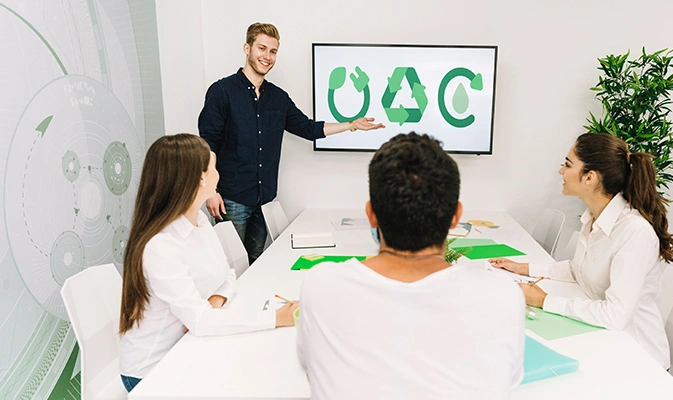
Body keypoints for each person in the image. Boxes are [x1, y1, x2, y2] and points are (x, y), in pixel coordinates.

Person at [297, 132, 525, 399]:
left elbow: (312, 371)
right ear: (456, 217)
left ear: (371, 215)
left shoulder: (322, 284)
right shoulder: (502, 294)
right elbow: (507, 380)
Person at [118, 134, 299, 392]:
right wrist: (275, 318)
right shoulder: (161, 246)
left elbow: (228, 275)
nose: (218, 174)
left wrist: (212, 302)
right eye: (214, 167)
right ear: (200, 179)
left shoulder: (200, 223)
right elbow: (201, 323)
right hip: (153, 372)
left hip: (190, 345)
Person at [199, 22, 384, 264]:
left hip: (264, 200)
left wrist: (351, 125)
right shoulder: (222, 91)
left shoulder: (278, 97)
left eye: (273, 51)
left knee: (256, 265)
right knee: (229, 267)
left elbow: (309, 128)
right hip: (230, 199)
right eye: (262, 48)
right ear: (247, 48)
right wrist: (210, 192)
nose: (267, 57)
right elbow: (206, 144)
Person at [490, 132, 673, 369]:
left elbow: (615, 315)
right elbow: (578, 270)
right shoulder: (593, 218)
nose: (561, 171)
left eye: (568, 165)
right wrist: (523, 268)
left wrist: (545, 300)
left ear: (590, 178)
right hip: (604, 337)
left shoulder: (633, 232)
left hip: (637, 356)